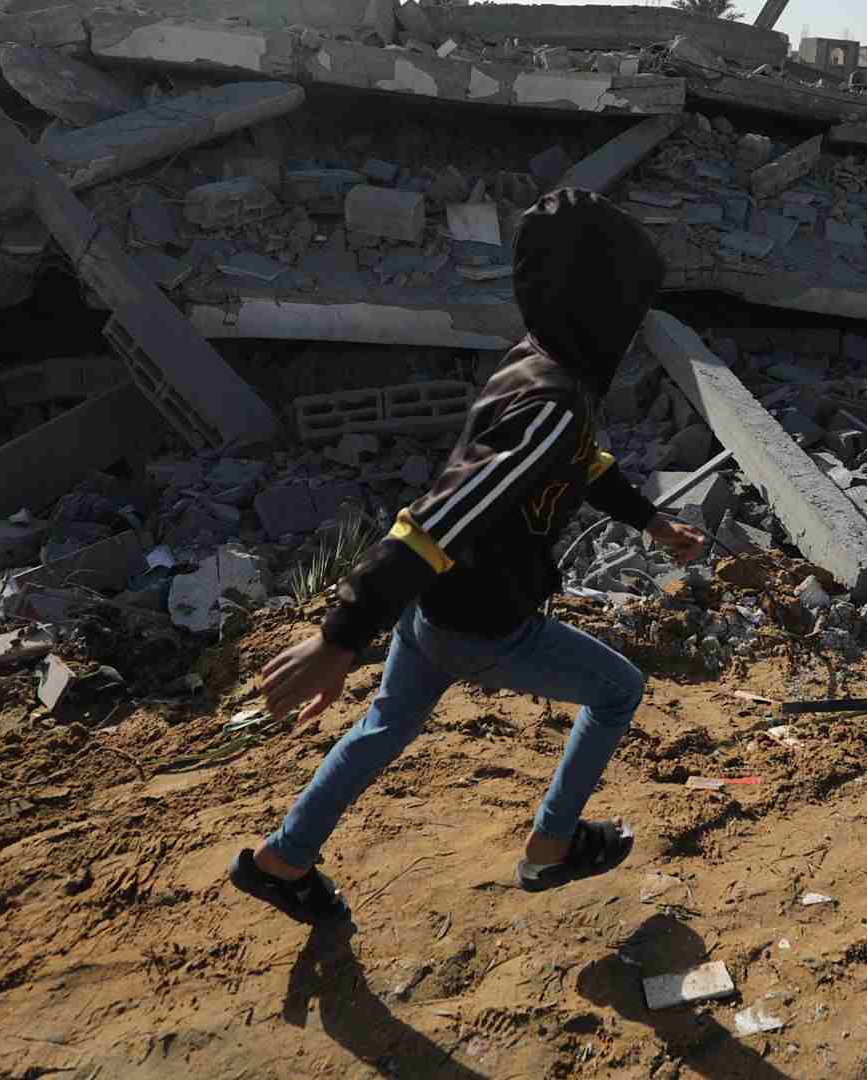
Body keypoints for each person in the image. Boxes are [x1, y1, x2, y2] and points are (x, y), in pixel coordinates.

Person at [227, 188, 708, 925]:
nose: (634, 325)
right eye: (629, 307)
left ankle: (282, 861)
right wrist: (340, 635)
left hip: (433, 609)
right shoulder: (554, 405)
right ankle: (552, 845)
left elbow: (583, 464)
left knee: (383, 728)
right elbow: (438, 522)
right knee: (618, 691)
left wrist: (648, 521)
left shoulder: (538, 364)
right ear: (599, 306)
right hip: (482, 623)